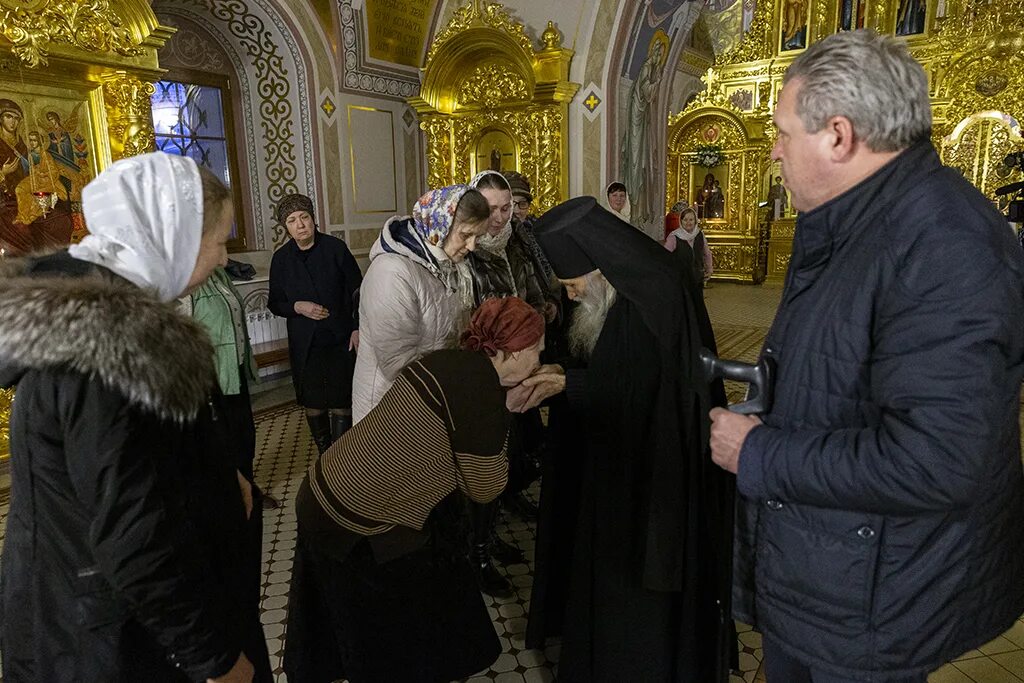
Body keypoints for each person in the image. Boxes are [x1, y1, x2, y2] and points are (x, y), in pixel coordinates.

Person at [708, 30, 1024, 681]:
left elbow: (935, 461)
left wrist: (758, 452)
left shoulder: (941, 243)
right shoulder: (863, 221)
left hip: (873, 603)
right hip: (833, 579)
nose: (772, 150)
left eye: (782, 130)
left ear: (839, 136)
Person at [0, 151, 269, 682]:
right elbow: (135, 534)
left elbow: (147, 457)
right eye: (217, 239)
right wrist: (213, 660)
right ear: (172, 234)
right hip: (116, 637)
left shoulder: (106, 315)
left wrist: (219, 471)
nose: (221, 257)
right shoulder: (107, 349)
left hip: (117, 615)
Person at [516, 196, 735, 682]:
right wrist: (564, 370)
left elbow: (657, 391)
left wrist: (570, 385)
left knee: (639, 589)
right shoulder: (616, 295)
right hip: (618, 465)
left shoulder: (655, 292)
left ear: (600, 272)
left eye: (573, 286)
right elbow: (616, 368)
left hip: (658, 476)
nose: (571, 297)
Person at [283, 297, 545, 683]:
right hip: (354, 523)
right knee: (395, 635)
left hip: (321, 489)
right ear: (516, 350)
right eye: (538, 350)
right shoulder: (482, 392)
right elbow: (487, 488)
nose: (540, 358)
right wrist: (510, 412)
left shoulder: (447, 360)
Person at [351, 184, 489, 423]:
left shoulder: (449, 264)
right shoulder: (391, 272)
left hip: (430, 396)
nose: (472, 246)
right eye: (466, 235)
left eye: (479, 236)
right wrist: (461, 373)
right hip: (388, 406)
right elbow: (397, 364)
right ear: (439, 225)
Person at [269, 193, 363, 454]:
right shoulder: (281, 259)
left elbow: (359, 292)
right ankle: (325, 453)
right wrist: (298, 307)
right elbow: (275, 303)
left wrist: (357, 328)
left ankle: (341, 454)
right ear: (285, 227)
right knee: (314, 402)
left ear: (313, 219)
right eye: (292, 220)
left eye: (304, 217)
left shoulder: (335, 249)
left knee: (341, 399)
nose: (300, 224)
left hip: (340, 338)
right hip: (305, 344)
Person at [665, 206, 713, 288]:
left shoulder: (700, 234)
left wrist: (709, 269)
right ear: (681, 221)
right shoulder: (674, 236)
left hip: (697, 276)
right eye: (685, 220)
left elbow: (707, 253)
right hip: (680, 278)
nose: (688, 222)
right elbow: (665, 256)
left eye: (691, 220)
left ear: (695, 221)